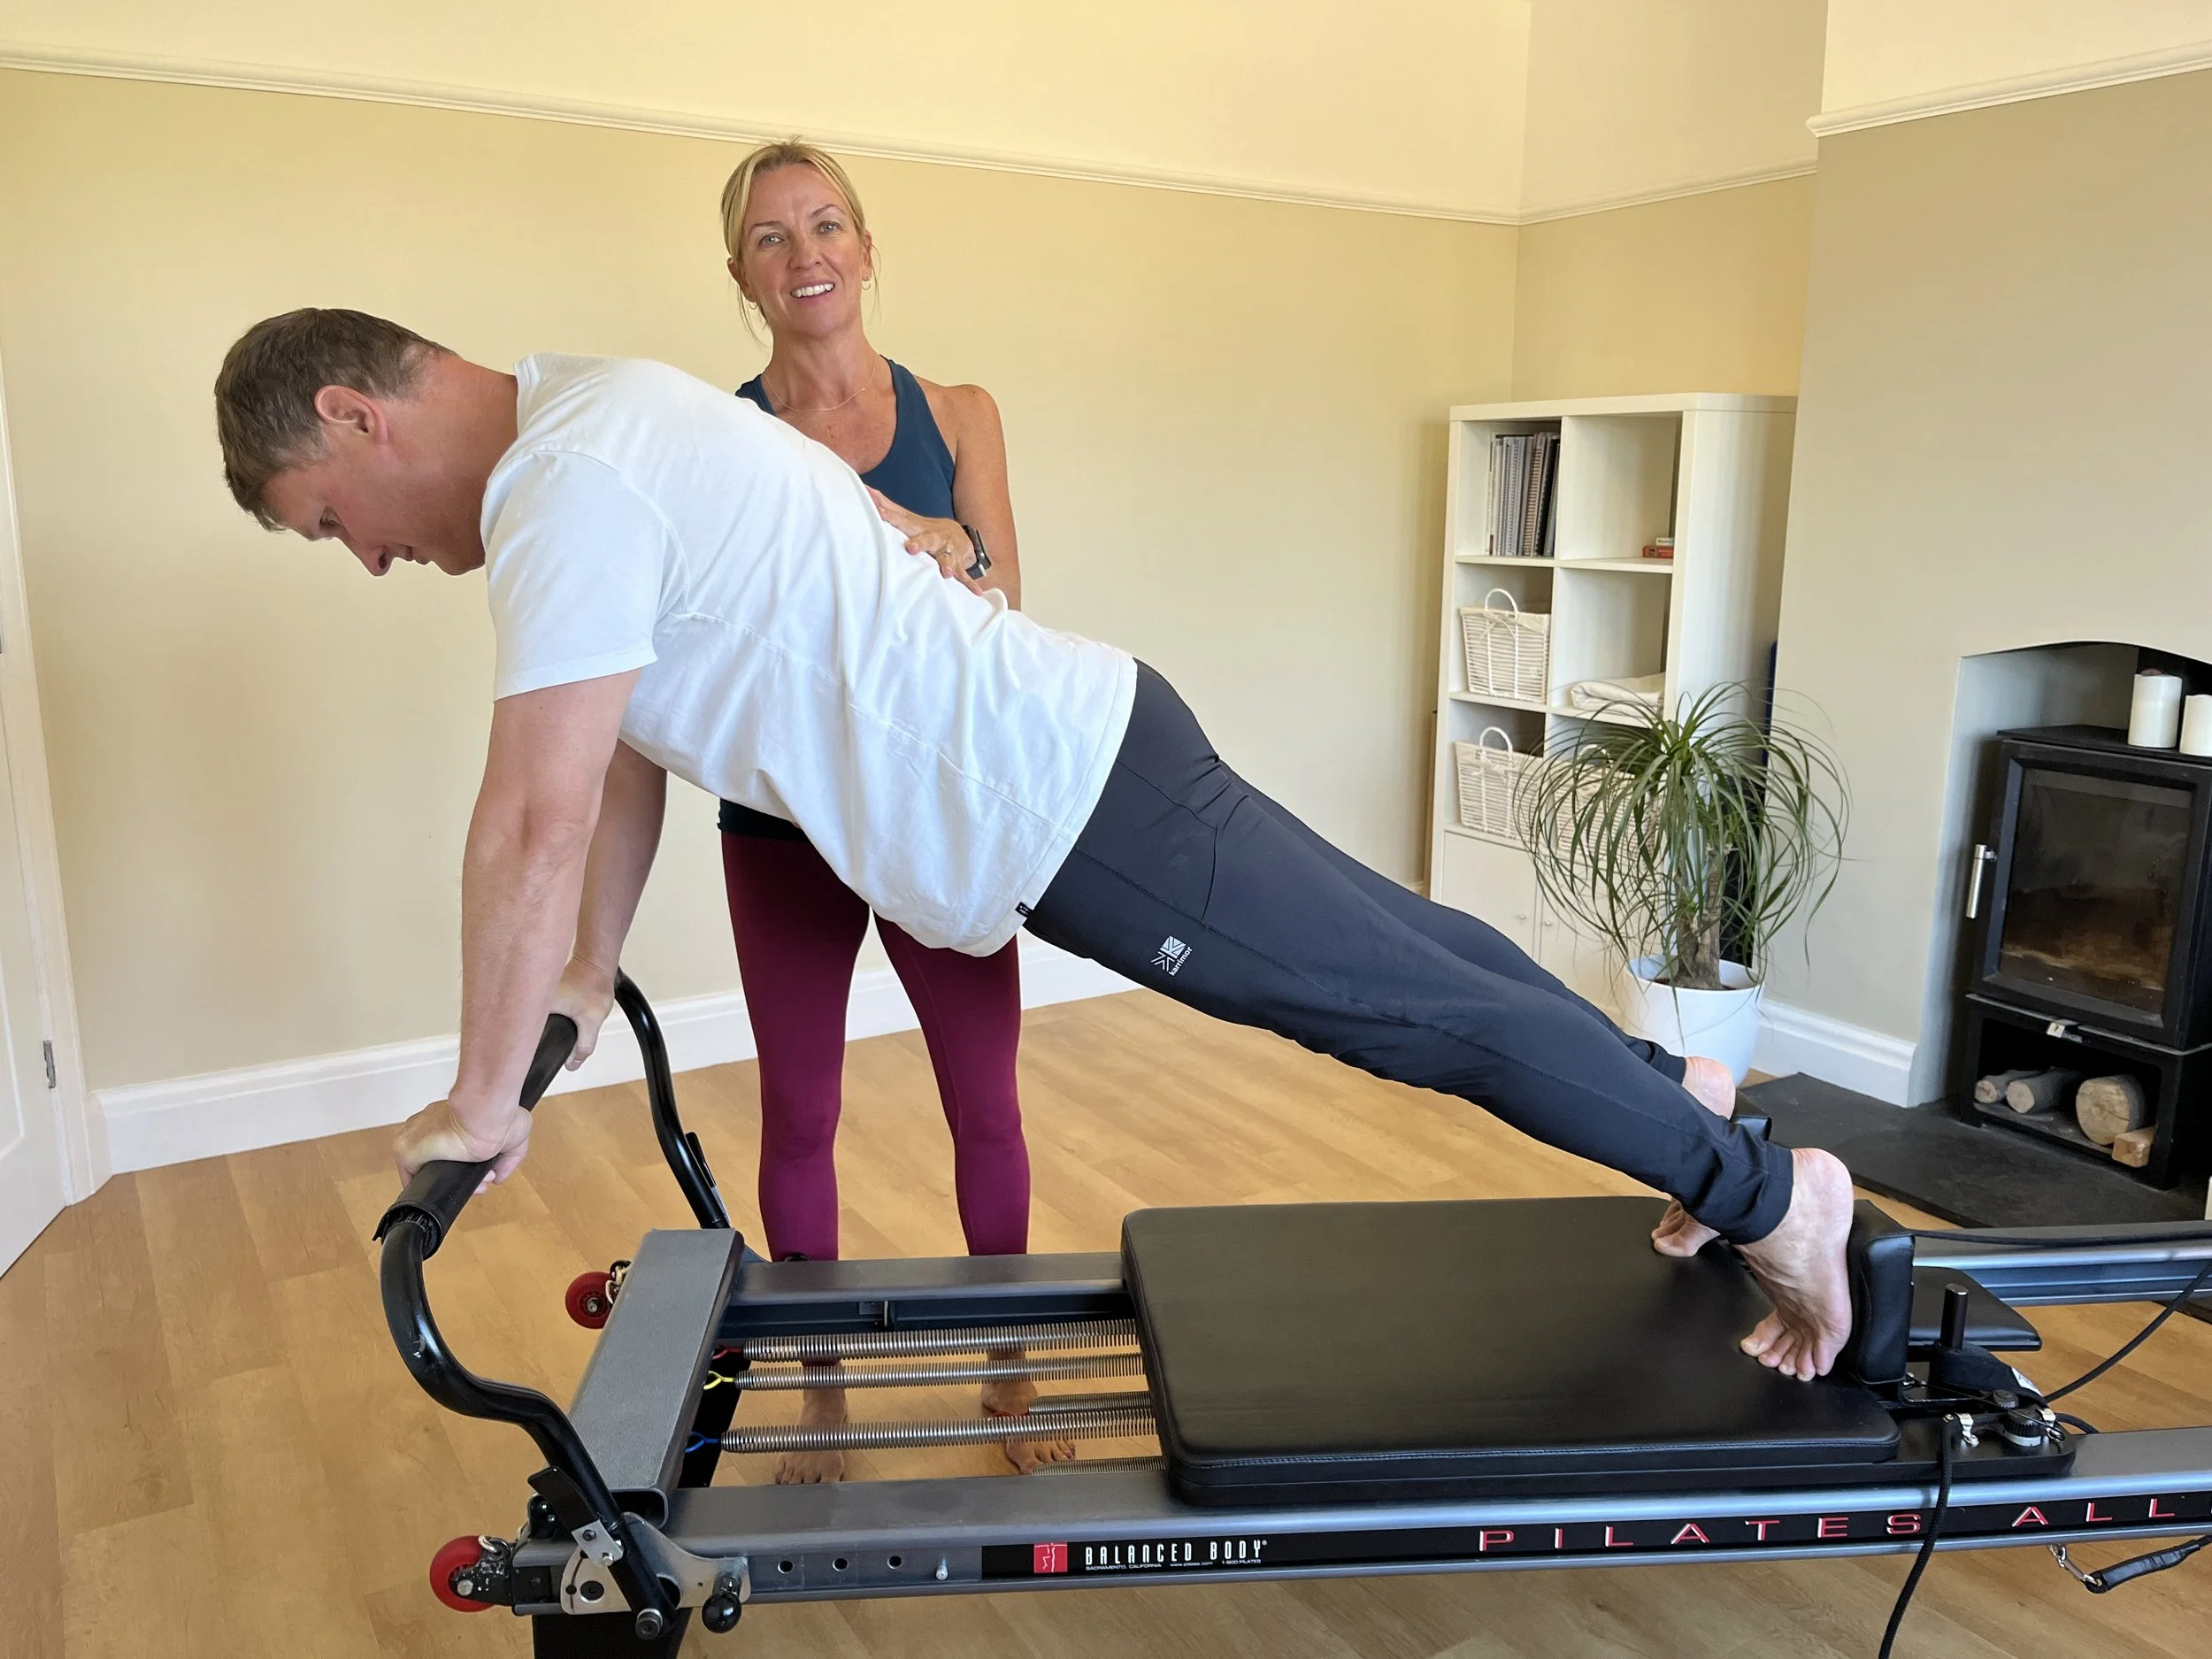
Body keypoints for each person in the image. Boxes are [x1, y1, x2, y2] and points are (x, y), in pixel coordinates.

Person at [211, 309, 1857, 1386]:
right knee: (1435, 960)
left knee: (1414, 1010)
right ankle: (1681, 1099)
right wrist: (578, 973)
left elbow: (530, 811)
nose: (360, 560)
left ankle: (1774, 1194)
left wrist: (483, 1092)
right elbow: (620, 765)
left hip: (1064, 798)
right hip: (1091, 740)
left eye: (323, 521)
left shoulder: (559, 488)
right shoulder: (602, 408)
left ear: (357, 418)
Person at [702, 142, 1049, 1479]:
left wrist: (907, 527)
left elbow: (1002, 598)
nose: (807, 256)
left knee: (988, 1106)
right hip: (785, 824)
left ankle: (1013, 1377)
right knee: (799, 1113)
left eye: (826, 224)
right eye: (773, 238)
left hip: (935, 815)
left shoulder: (960, 411)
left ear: (867, 244)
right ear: (740, 272)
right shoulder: (728, 436)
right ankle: (824, 1396)